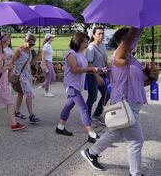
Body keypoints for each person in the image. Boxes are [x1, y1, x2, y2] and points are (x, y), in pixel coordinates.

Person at [81, 28, 158, 175]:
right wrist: (137, 26)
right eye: (129, 39)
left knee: (115, 132)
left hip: (133, 103)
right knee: (136, 141)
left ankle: (91, 153)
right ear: (118, 42)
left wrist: (152, 77)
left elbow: (140, 83)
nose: (133, 41)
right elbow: (129, 41)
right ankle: (136, 173)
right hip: (125, 103)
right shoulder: (119, 56)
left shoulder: (132, 59)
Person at [55, 32, 100, 143]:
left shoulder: (81, 54)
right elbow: (74, 69)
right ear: (78, 42)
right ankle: (91, 134)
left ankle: (60, 128)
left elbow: (85, 68)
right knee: (83, 108)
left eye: (86, 41)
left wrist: (95, 70)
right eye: (84, 41)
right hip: (71, 85)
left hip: (77, 85)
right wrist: (91, 69)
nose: (86, 43)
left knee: (68, 105)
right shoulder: (71, 54)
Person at [11, 33, 42, 124]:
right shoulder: (19, 50)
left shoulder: (31, 51)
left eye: (33, 44)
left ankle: (17, 112)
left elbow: (31, 63)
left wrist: (38, 55)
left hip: (27, 75)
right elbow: (11, 62)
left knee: (21, 93)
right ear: (25, 41)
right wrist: (10, 74)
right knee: (29, 94)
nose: (31, 45)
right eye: (30, 43)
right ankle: (32, 115)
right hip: (20, 75)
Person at [85, 26, 109, 125]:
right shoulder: (91, 47)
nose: (101, 35)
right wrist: (97, 76)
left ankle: (97, 115)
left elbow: (105, 60)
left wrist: (108, 68)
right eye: (99, 33)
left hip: (102, 74)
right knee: (93, 96)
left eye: (102, 33)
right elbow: (89, 63)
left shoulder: (103, 45)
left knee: (107, 94)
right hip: (92, 74)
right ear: (94, 35)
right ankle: (86, 118)